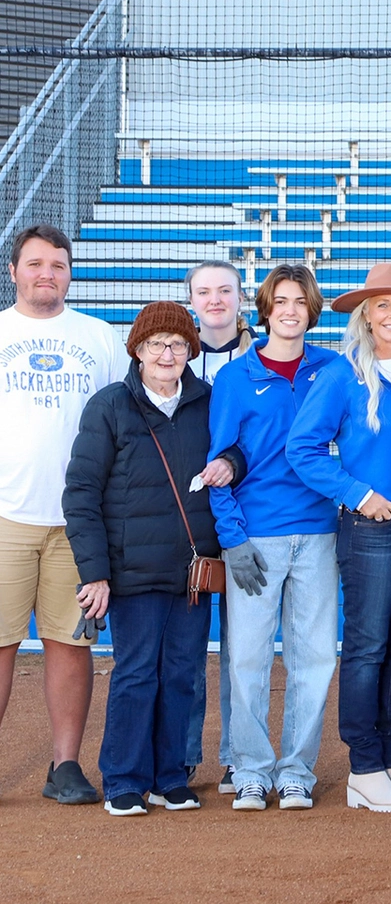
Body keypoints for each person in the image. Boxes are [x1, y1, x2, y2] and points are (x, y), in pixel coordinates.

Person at [61, 302, 236, 816]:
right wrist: (95, 572)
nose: (167, 353)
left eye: (178, 344)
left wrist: (232, 460)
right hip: (131, 571)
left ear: (191, 352)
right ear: (137, 350)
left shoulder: (209, 402)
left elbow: (240, 450)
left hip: (192, 571)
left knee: (182, 672)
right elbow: (82, 492)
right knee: (137, 672)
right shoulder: (110, 406)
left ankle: (169, 776)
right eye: (156, 343)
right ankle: (123, 779)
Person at [288, 264, 391, 813]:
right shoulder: (340, 375)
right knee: (367, 646)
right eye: (382, 305)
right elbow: (303, 448)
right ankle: (363, 766)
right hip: (372, 525)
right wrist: (357, 493)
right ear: (365, 315)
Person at [206, 264, 339, 811]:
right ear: (265, 309)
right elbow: (216, 462)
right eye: (280, 301)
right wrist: (232, 537)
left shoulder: (333, 369)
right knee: (247, 659)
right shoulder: (235, 377)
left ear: (312, 309)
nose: (290, 310)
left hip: (318, 534)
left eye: (300, 301)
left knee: (313, 658)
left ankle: (296, 771)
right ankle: (251, 768)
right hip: (256, 537)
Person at [0, 225, 124, 805]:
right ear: (14, 271)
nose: (46, 272)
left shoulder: (98, 338)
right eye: (35, 263)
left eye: (57, 264)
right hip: (6, 517)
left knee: (69, 644)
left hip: (79, 522)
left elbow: (122, 427)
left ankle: (64, 766)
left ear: (71, 272)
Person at [184, 258, 254, 793]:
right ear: (192, 301)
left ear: (240, 297)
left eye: (224, 290)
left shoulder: (261, 356)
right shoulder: (169, 356)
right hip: (185, 525)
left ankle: (236, 755)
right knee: (185, 646)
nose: (215, 300)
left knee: (241, 647)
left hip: (246, 520)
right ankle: (182, 755)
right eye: (204, 291)